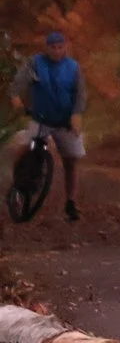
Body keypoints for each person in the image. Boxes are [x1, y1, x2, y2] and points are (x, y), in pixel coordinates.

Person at [9, 29, 86, 221]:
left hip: (64, 120)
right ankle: (17, 184)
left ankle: (71, 201)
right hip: (41, 118)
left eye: (60, 47)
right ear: (47, 48)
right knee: (25, 146)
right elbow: (20, 80)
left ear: (65, 47)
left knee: (71, 160)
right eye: (53, 47)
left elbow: (80, 94)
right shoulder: (36, 63)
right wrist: (16, 96)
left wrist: (76, 115)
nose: (57, 51)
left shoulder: (73, 67)